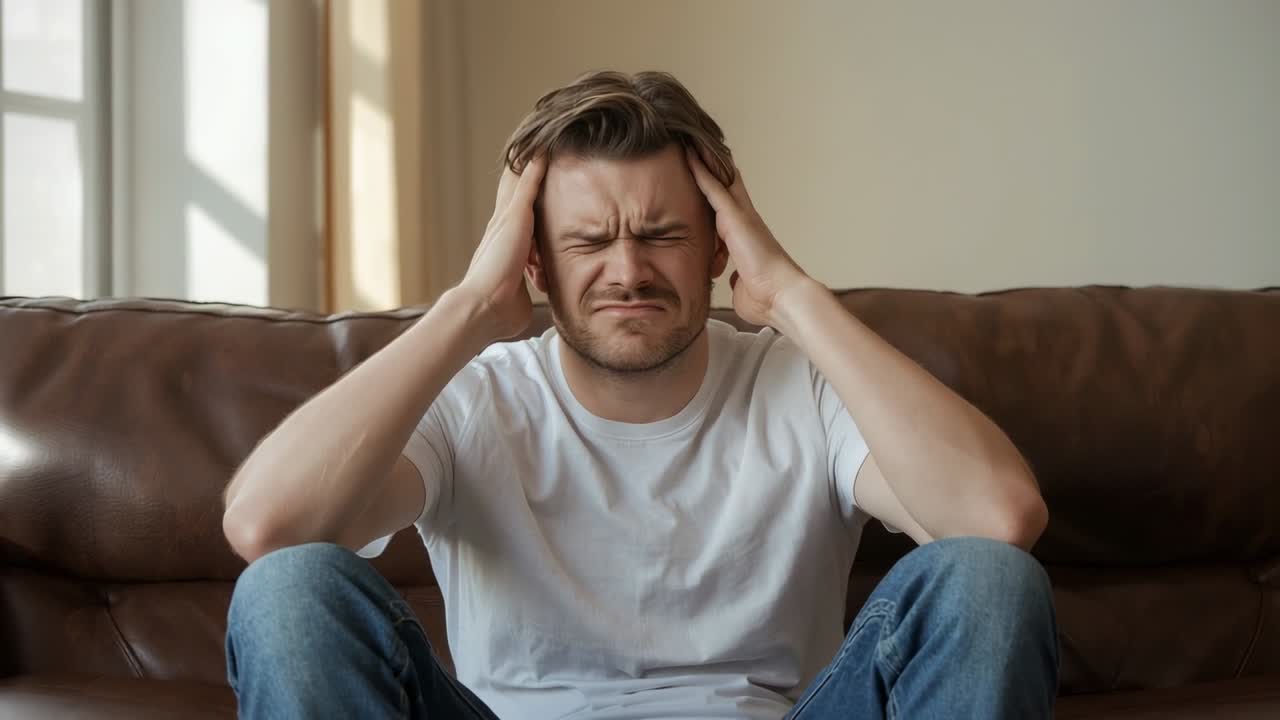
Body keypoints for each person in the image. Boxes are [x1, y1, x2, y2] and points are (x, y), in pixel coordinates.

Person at [221, 70, 1060, 719]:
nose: (628, 271)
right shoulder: (475, 397)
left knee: (988, 580)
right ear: (535, 262)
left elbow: (997, 522)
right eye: (588, 242)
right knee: (288, 592)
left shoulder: (803, 387)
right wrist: (471, 307)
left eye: (663, 236)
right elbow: (269, 529)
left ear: (719, 252)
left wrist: (795, 297)